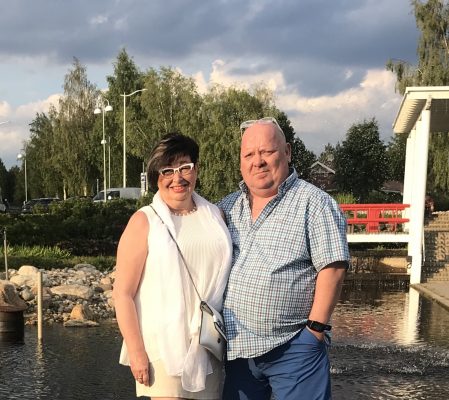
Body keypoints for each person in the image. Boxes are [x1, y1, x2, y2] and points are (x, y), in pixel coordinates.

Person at [218, 117, 350, 400]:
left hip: (293, 347)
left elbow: (334, 268)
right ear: (241, 161)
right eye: (249, 154)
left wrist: (314, 331)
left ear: (287, 152)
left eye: (267, 152)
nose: (258, 161)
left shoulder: (314, 202)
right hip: (239, 350)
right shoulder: (228, 207)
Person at [113, 132, 232, 399]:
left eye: (184, 168)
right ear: (157, 177)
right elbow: (122, 294)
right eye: (167, 170)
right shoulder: (145, 221)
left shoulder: (215, 216)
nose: (177, 178)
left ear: (196, 169)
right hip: (162, 351)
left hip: (207, 347)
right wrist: (136, 351)